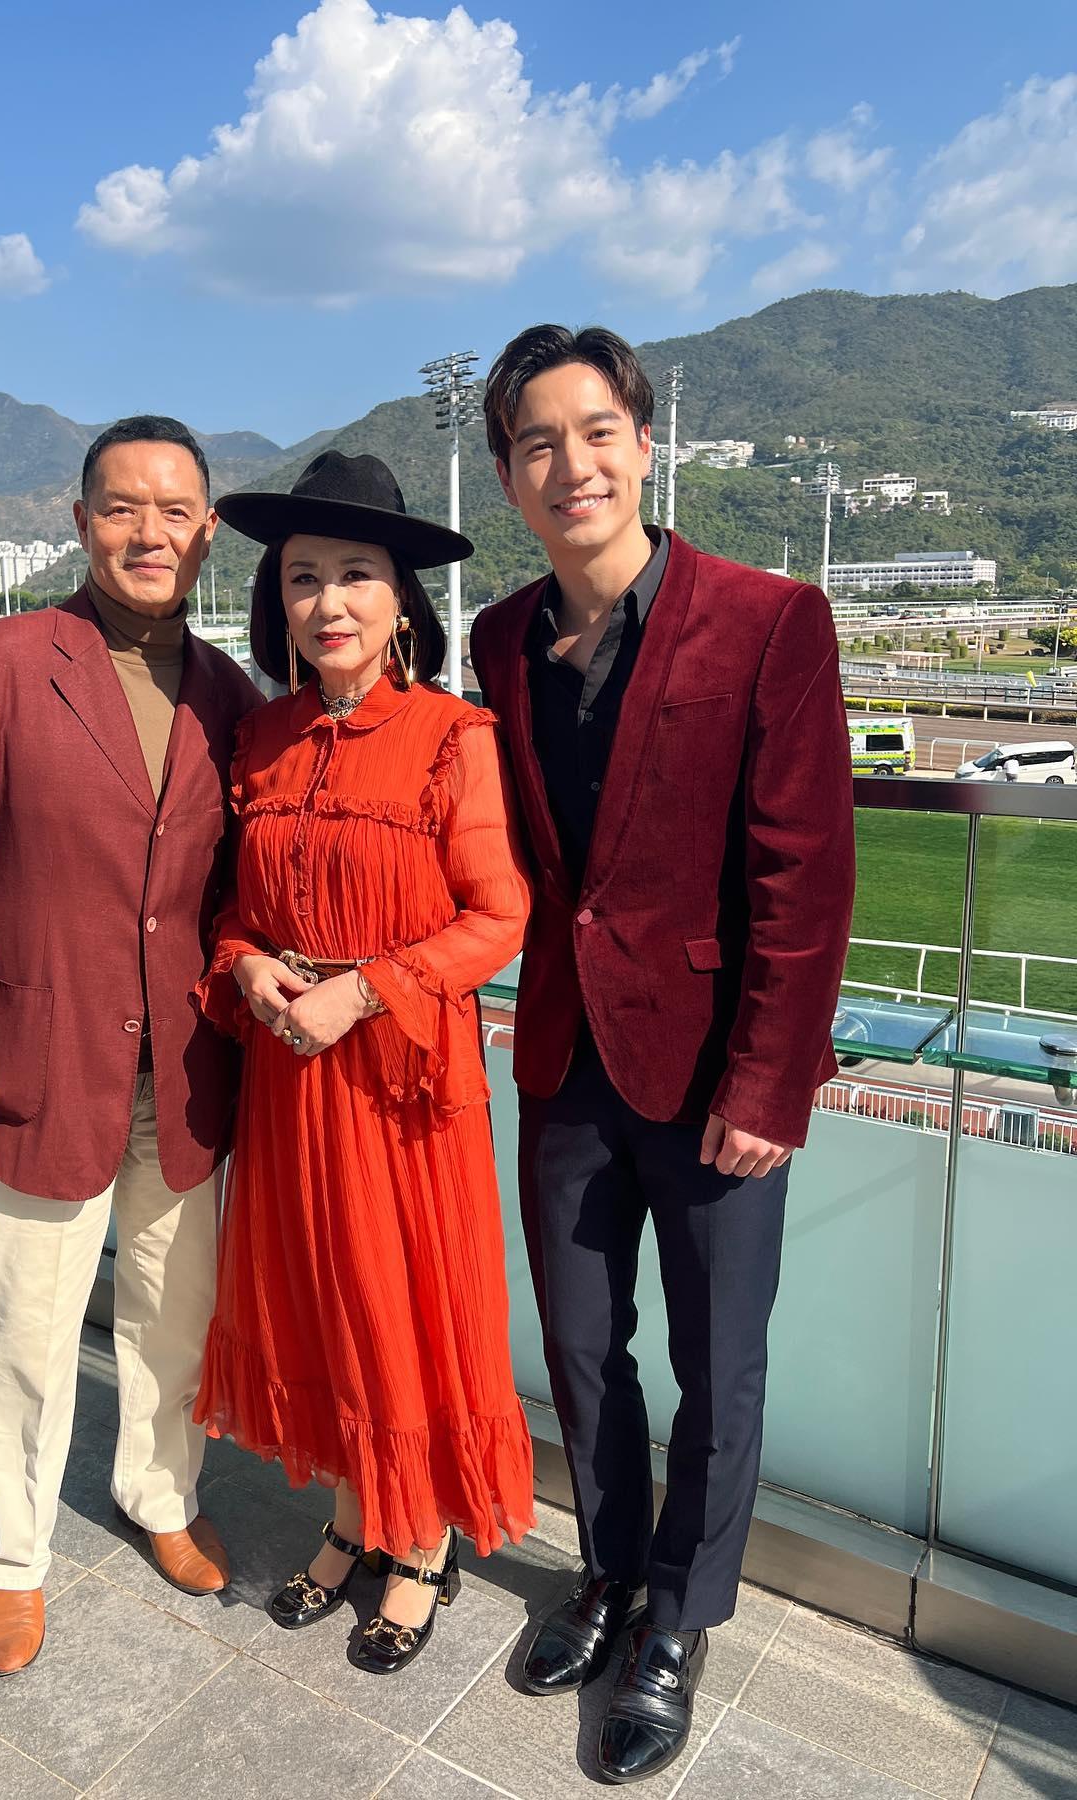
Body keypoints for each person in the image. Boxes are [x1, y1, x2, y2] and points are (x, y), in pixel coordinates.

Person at [470, 326, 855, 1782]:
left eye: (595, 433)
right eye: (537, 443)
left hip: (714, 1077)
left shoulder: (768, 620)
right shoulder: (502, 637)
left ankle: (681, 1622)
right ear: (508, 473)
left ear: (644, 443)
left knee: (716, 1363)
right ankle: (611, 1572)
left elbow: (804, 880)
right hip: (564, 1056)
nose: (570, 465)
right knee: (581, 1346)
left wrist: (770, 1086)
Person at [0, 415, 259, 1677]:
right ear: (81, 523)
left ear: (207, 531)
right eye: (122, 508)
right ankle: (10, 1557)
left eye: (175, 511)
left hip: (188, 1065)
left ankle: (159, 1493)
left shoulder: (229, 695)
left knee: (174, 1310)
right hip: (41, 1057)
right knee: (26, 1324)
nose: (149, 532)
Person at [193, 450, 535, 1675]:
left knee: (405, 1308)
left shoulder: (454, 737)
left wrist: (365, 990)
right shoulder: (261, 741)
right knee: (323, 1303)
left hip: (404, 1086)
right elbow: (235, 916)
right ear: (275, 600)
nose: (328, 602)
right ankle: (351, 1516)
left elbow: (500, 916)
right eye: (303, 579)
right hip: (293, 1079)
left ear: (401, 601)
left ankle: (422, 1539)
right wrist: (247, 968)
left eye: (355, 576)